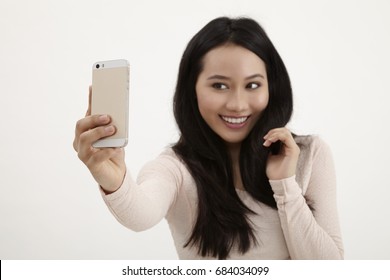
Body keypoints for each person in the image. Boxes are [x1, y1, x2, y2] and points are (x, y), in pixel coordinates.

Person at [73, 17, 344, 259]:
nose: (238, 104)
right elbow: (140, 214)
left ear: (272, 87)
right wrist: (111, 177)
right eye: (219, 85)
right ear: (193, 89)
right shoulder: (175, 168)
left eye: (252, 85)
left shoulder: (308, 154)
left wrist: (285, 185)